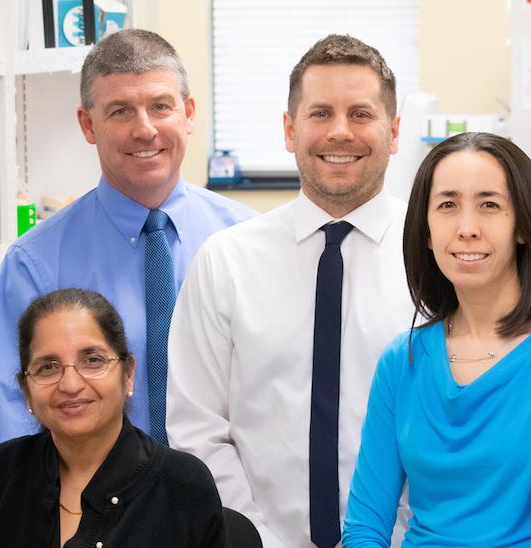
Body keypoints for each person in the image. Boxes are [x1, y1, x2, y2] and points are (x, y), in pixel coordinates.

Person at [167, 34, 413, 547]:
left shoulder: (437, 262)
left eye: (361, 114)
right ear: (289, 129)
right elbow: (198, 429)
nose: (340, 132)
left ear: (393, 131)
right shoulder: (226, 261)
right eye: (320, 113)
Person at [0, 29, 254, 471]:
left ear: (189, 112)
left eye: (161, 106)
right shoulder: (35, 264)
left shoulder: (247, 241)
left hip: (234, 509)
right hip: (93, 519)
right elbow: (7, 427)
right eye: (121, 110)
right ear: (88, 125)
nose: (144, 129)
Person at [342, 132, 531, 547]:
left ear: (522, 226)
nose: (467, 228)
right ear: (427, 231)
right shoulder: (402, 359)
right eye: (448, 205)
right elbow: (365, 527)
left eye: (490, 205)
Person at [0, 288, 227, 547]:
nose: (71, 384)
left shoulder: (182, 485)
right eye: (48, 367)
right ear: (27, 389)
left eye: (92, 360)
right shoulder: (6, 470)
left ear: (128, 374)